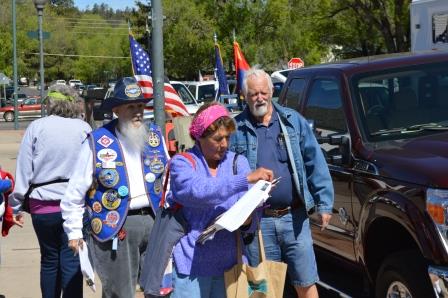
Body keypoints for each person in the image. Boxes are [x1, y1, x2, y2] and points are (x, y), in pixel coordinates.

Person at [229, 68, 334, 298]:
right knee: (264, 288)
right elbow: (226, 173)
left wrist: (324, 203)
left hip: (295, 219)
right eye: (254, 94)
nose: (260, 98)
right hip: (258, 222)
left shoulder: (292, 120)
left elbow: (314, 161)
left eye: (264, 92)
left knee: (306, 282)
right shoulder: (235, 130)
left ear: (271, 92)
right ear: (245, 97)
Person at [61, 76, 169, 298]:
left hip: (155, 220)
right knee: (119, 293)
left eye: (140, 106)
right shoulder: (97, 141)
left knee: (161, 290)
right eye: (131, 107)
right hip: (116, 226)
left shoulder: (155, 137)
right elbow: (74, 193)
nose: (138, 111)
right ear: (117, 110)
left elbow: (169, 178)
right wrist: (73, 231)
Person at [166, 102, 273, 298]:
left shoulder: (237, 162)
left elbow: (249, 212)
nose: (224, 144)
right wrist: (244, 180)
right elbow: (198, 191)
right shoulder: (183, 163)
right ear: (199, 137)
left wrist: (249, 219)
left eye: (227, 137)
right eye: (217, 139)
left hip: (230, 267)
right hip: (191, 267)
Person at [8, 84, 91, 298]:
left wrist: (15, 206)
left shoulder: (36, 127)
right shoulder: (84, 129)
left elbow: (24, 170)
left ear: (49, 103)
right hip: (75, 207)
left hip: (41, 207)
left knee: (49, 260)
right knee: (72, 262)